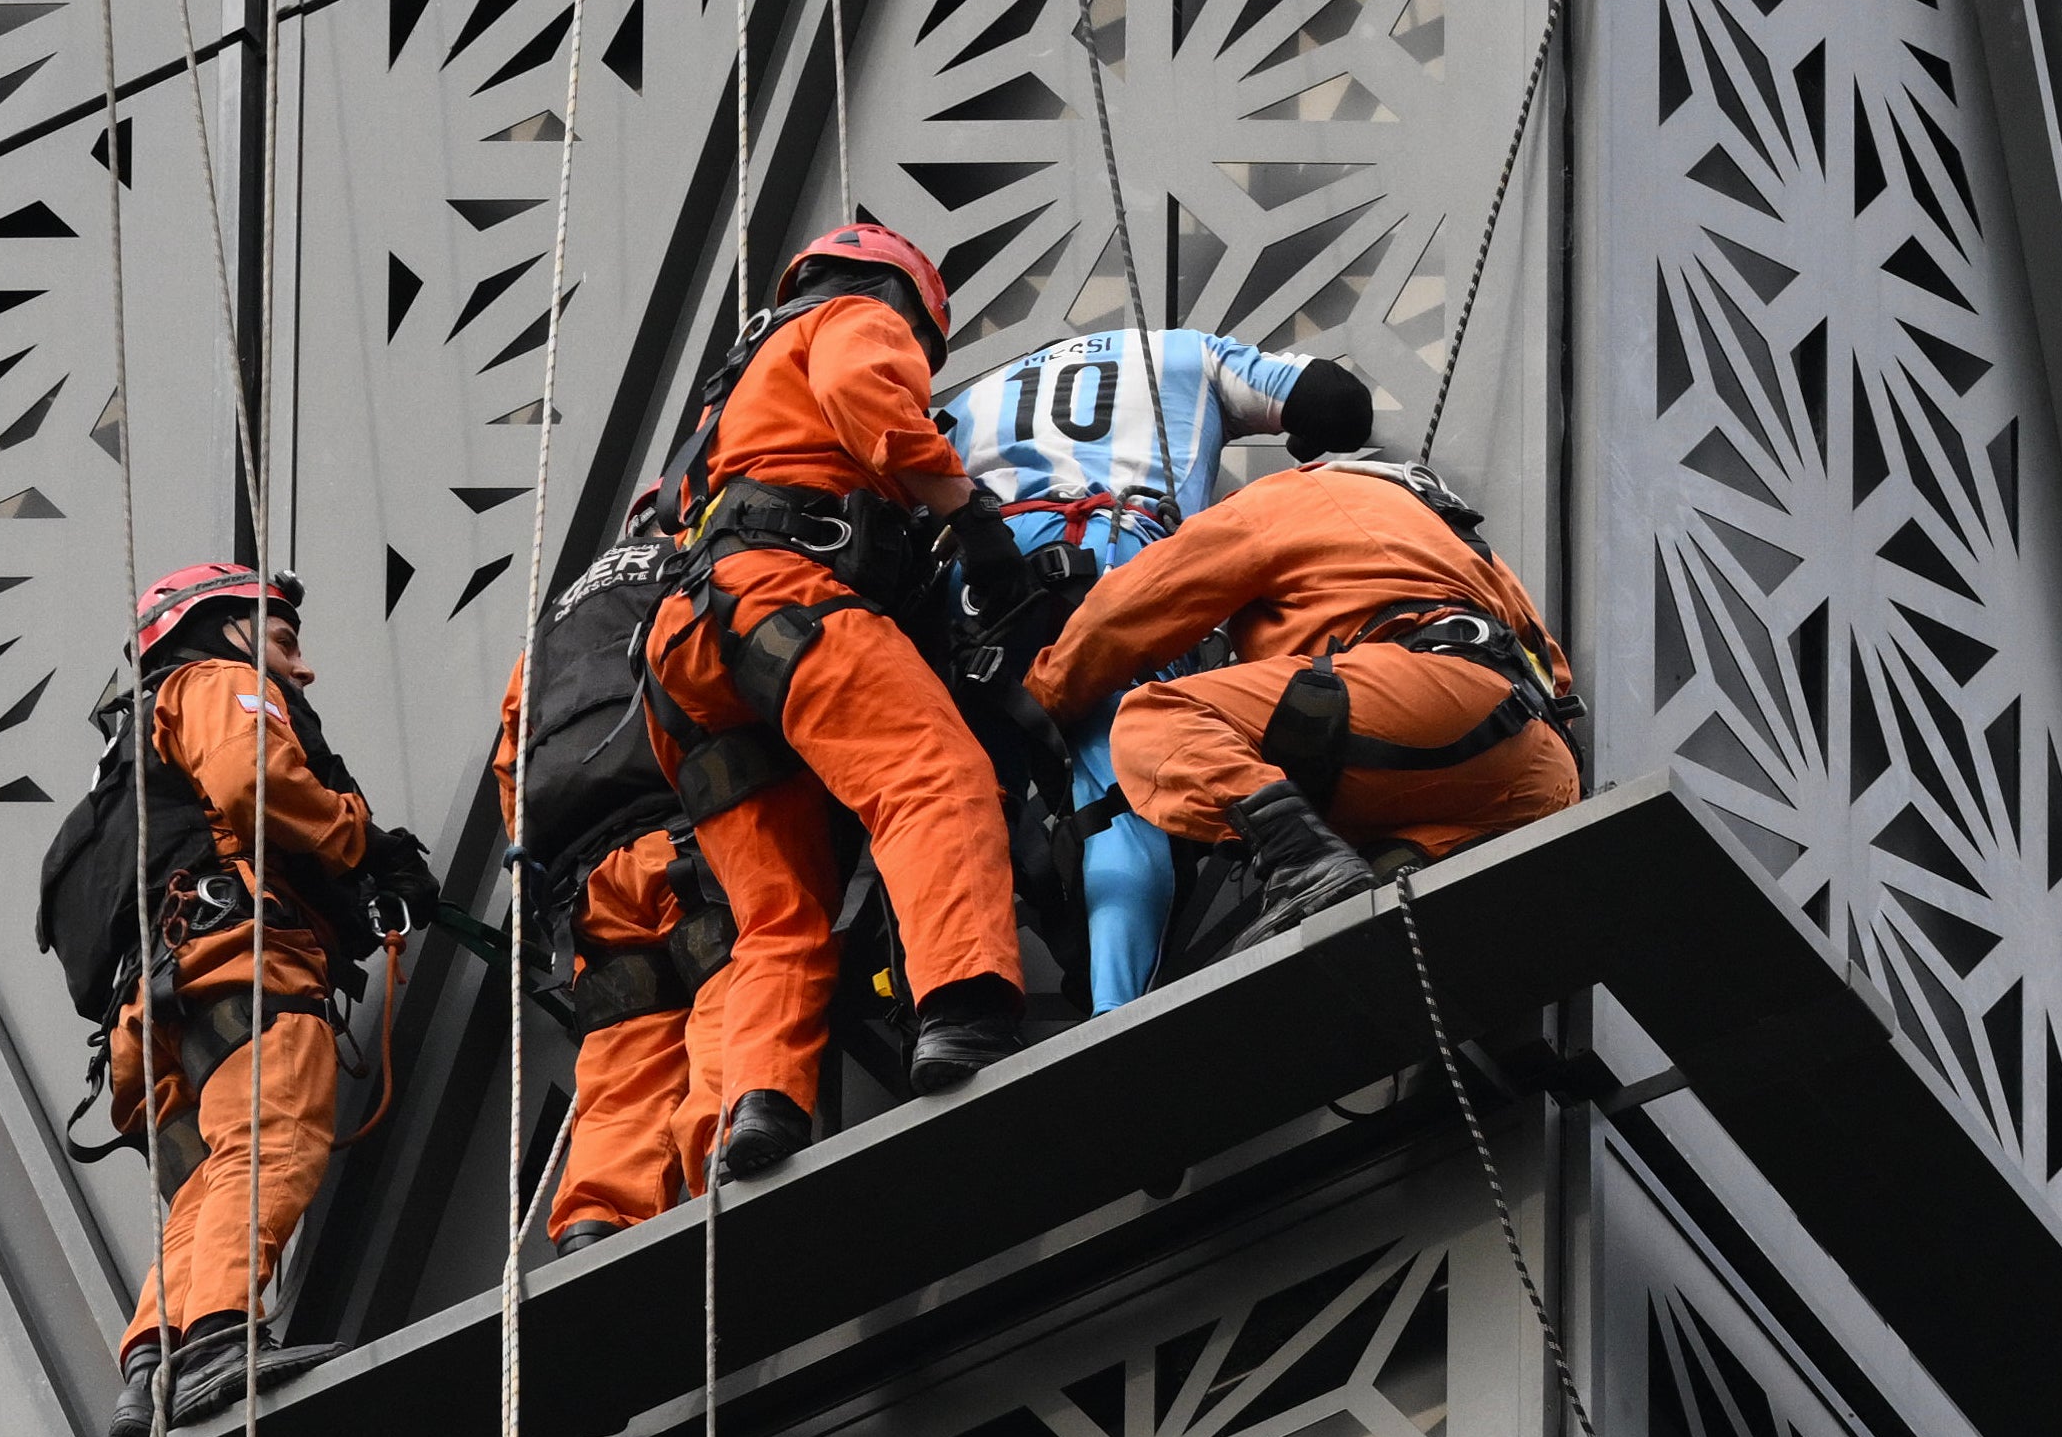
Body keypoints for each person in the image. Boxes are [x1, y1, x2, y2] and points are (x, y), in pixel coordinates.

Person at [642, 224, 1032, 1184]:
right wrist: (966, 513)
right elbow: (867, 396)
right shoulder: (854, 317)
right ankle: (961, 1005)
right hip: (783, 602)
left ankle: (760, 1105)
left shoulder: (723, 400)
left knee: (776, 914)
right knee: (930, 779)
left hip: (683, 656)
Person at [932, 327, 1372, 1010]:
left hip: (977, 587)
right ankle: (1114, 1009)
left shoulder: (964, 403)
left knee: (965, 806)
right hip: (1114, 553)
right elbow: (1334, 402)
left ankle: (959, 1015)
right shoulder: (1182, 351)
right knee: (1122, 794)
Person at [100, 565, 436, 1437]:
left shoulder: (135, 750)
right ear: (228, 631)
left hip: (158, 1001)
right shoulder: (215, 682)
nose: (304, 667)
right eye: (285, 640)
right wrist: (362, 841)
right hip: (238, 958)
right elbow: (256, 783)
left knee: (209, 1180)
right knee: (271, 1137)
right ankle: (217, 1339)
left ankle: (152, 1363)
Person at [1024, 458, 1579, 953]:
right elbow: (1553, 675)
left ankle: (1304, 864)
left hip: (1425, 701)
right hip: (1539, 773)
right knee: (1387, 909)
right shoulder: (1463, 546)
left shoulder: (1286, 495)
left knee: (1157, 719)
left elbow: (1129, 612)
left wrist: (1038, 698)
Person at [491, 503, 735, 1255]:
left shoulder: (552, 632)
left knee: (626, 1048)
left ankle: (597, 1216)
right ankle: (727, 1156)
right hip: (685, 827)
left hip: (586, 875)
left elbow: (511, 760)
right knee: (731, 984)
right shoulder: (691, 566)